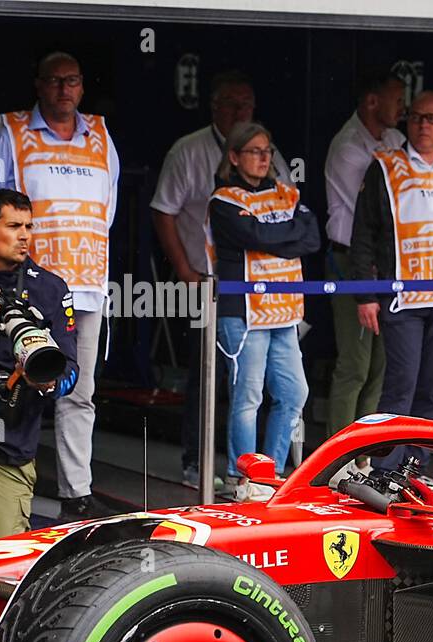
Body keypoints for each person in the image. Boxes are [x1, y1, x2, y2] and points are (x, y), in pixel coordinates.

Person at [0, 51, 119, 522]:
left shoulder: (101, 137)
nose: (63, 89)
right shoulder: (9, 135)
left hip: (86, 288)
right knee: (8, 384)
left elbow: (107, 210)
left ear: (81, 86)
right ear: (38, 84)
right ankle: (2, 483)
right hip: (23, 288)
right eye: (53, 81)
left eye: (71, 80)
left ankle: (77, 494)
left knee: (78, 391)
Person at [151, 70, 291, 489]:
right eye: (231, 104)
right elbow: (163, 210)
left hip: (262, 289)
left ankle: (261, 471)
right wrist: (183, 270)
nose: (239, 112)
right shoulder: (189, 150)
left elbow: (292, 213)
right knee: (206, 375)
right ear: (214, 107)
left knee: (261, 382)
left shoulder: (269, 152)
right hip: (209, 282)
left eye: (246, 105)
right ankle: (197, 460)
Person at [348, 90, 433, 469]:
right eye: (417, 117)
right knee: (400, 388)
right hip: (402, 300)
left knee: (429, 392)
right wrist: (365, 294)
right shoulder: (386, 167)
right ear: (407, 122)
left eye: (432, 118)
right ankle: (382, 471)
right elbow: (363, 234)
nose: (424, 125)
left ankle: (416, 469)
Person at [0, 190, 79, 542]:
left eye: (29, 226)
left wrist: (44, 380)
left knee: (0, 563)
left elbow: (71, 370)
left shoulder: (50, 289)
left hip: (4, 437)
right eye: (14, 226)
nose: (25, 236)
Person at [205, 122, 319, 501]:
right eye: (254, 151)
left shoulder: (288, 192)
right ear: (234, 157)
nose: (263, 158)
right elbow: (255, 237)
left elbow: (312, 238)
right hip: (243, 311)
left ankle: (271, 474)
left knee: (294, 393)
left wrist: (276, 237)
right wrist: (286, 235)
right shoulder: (223, 200)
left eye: (267, 151)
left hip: (284, 312)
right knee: (248, 397)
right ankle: (242, 478)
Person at [324, 69, 406, 447]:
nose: (403, 108)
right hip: (350, 263)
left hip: (388, 267)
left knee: (380, 367)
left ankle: (363, 457)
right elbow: (375, 213)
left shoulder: (394, 139)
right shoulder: (348, 146)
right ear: (373, 101)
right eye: (397, 99)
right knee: (355, 365)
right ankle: (334, 461)